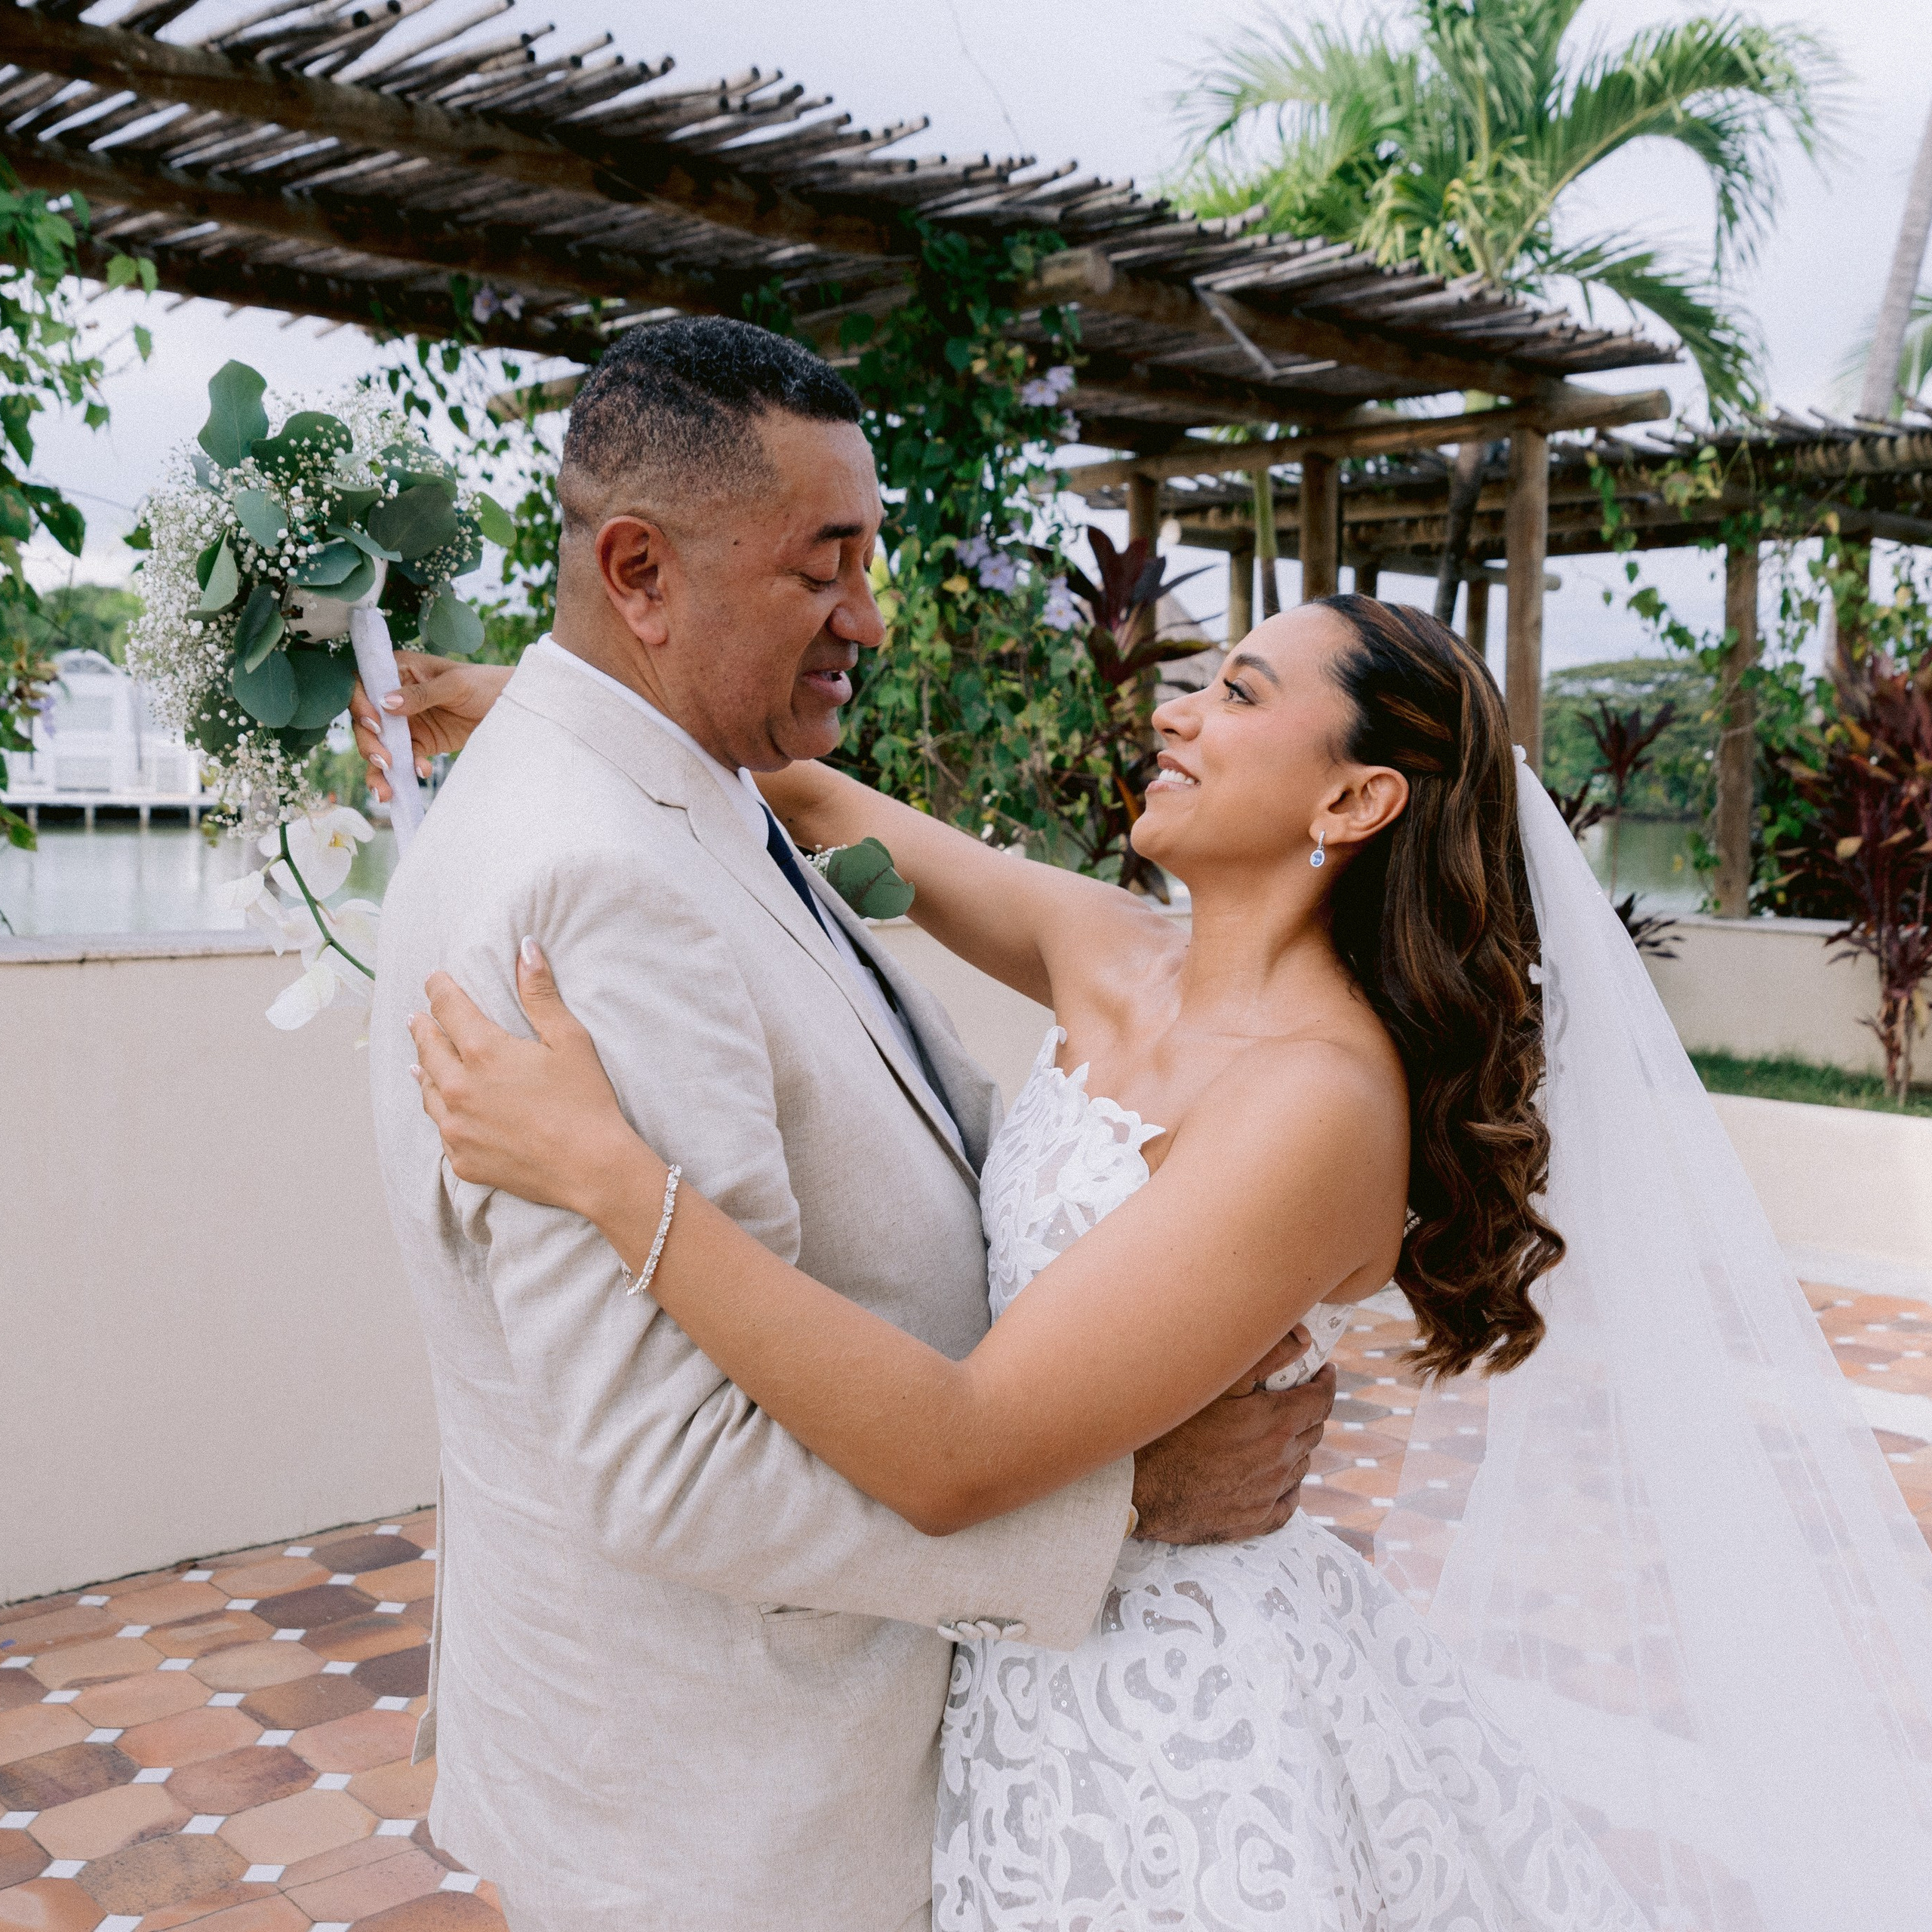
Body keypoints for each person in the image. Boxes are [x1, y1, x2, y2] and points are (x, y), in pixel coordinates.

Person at [393, 583, 1659, 1929]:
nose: (1175, 711)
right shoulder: (1114, 951)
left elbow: (958, 1451)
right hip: (1014, 1676)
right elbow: (812, 803)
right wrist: (527, 706)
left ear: (1353, 805)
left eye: (1238, 695)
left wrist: (605, 1174)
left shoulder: (1318, 1105)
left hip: (1175, 1731)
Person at [361, 315, 1337, 1932]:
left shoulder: (688, 779)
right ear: (640, 572)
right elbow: (675, 1469)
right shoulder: (593, 877)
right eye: (824, 568)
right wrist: (1135, 1502)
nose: (868, 621)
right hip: (730, 1815)